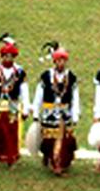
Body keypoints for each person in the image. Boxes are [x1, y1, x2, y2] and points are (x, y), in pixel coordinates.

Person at [32, 46, 79, 175]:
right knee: (49, 140)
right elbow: (39, 95)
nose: (61, 63)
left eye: (63, 60)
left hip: (65, 113)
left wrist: (75, 114)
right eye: (58, 60)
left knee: (64, 139)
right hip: (49, 113)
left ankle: (59, 163)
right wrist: (35, 112)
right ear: (54, 61)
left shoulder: (71, 77)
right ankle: (50, 157)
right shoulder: (46, 76)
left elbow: (75, 97)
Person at [0, 42, 30, 166]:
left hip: (12, 104)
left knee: (11, 131)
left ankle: (10, 155)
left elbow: (24, 90)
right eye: (5, 56)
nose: (8, 59)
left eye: (11, 56)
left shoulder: (19, 72)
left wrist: (26, 108)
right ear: (1, 56)